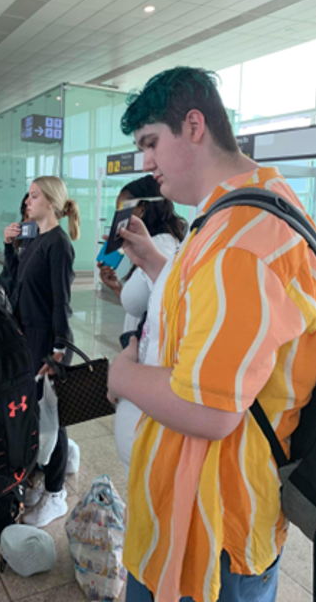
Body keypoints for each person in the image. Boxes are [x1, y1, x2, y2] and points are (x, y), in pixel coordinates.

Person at [106, 67, 316, 602]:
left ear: (194, 125)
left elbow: (211, 410)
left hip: (210, 537)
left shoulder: (238, 242)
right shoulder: (255, 201)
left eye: (151, 142)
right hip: (205, 519)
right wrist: (157, 266)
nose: (145, 161)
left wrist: (122, 376)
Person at [4, 176, 80, 528]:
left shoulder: (59, 244)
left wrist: (59, 350)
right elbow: (14, 283)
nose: (27, 202)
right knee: (36, 414)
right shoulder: (34, 238)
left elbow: (61, 303)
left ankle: (56, 493)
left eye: (34, 196)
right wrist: (10, 246)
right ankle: (42, 477)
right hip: (26, 338)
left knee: (53, 418)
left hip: (47, 341)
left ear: (51, 202)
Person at [99, 175, 186, 474]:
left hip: (149, 361)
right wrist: (117, 286)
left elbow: (135, 302)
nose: (118, 215)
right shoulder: (170, 240)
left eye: (123, 208)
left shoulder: (160, 242)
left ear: (142, 211)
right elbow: (149, 300)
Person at [0, 193, 30, 296]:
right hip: (14, 293)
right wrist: (8, 243)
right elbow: (11, 267)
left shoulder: (47, 237)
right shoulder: (20, 230)